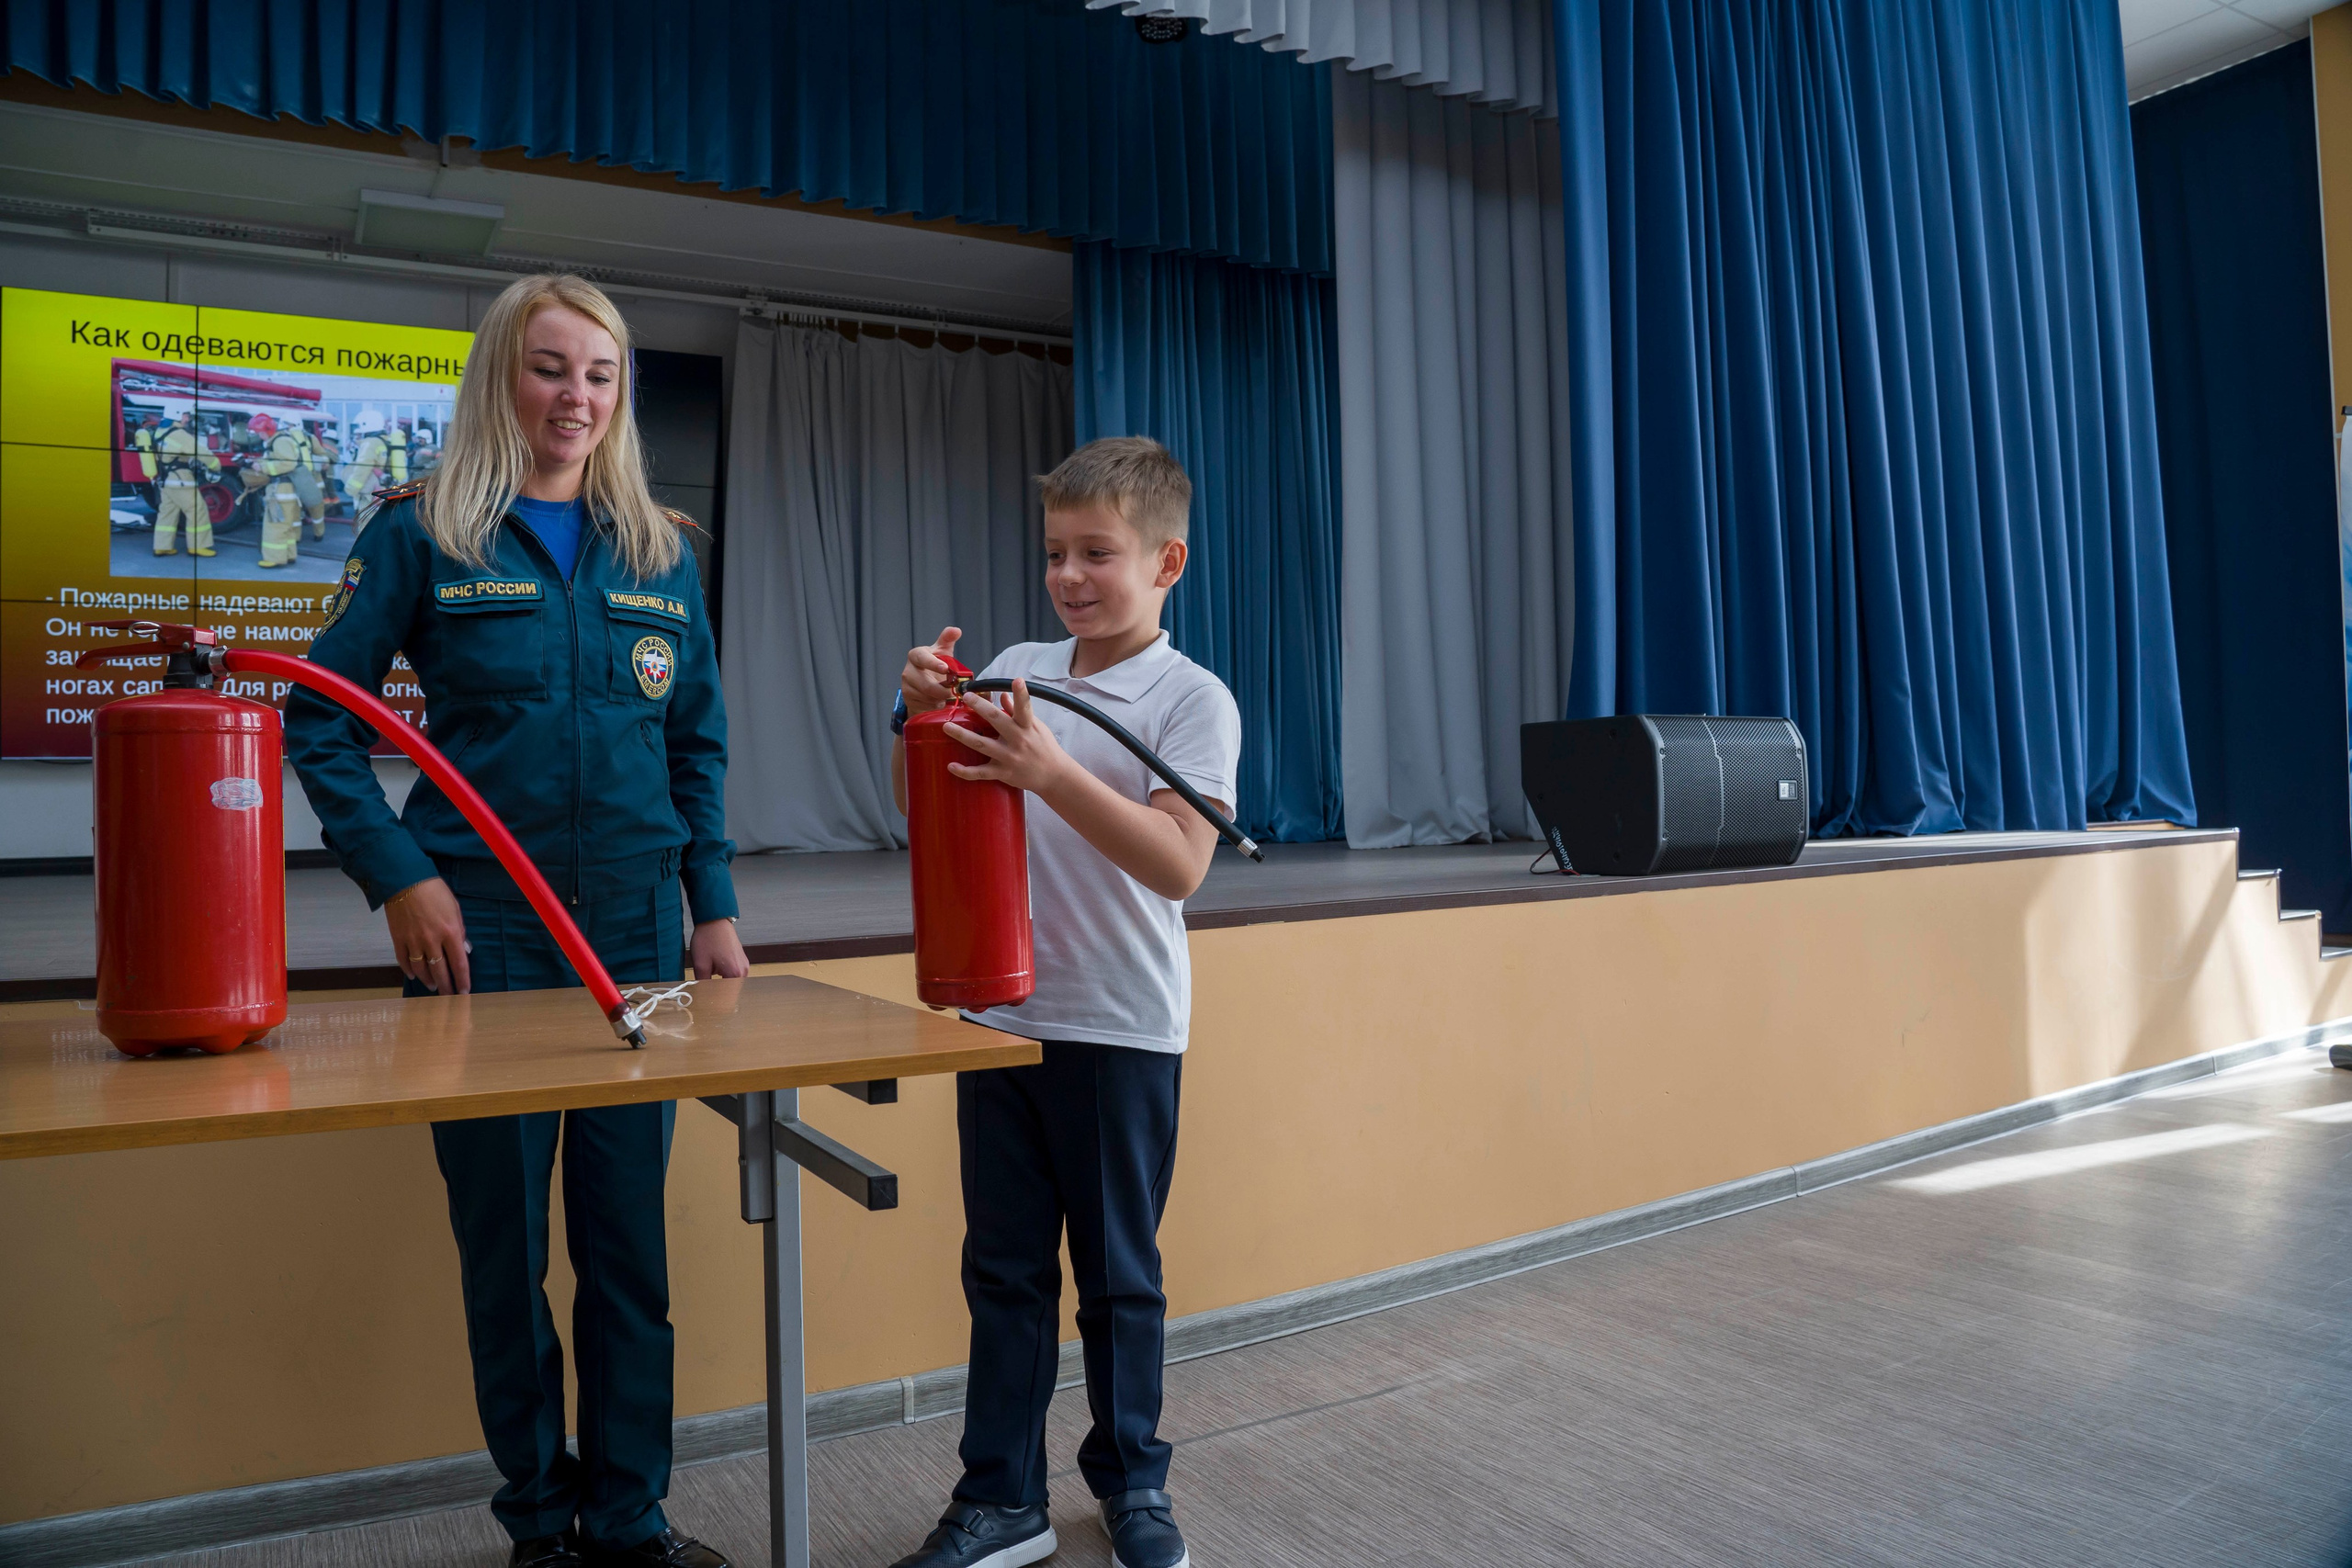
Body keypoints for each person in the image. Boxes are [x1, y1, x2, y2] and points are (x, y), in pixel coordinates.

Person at [285, 273, 750, 1568]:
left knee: (628, 1249)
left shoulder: (662, 549)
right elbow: (317, 713)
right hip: (480, 938)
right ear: (504, 377)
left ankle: (630, 1519)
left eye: (601, 375)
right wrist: (396, 873)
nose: (577, 397)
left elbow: (695, 742)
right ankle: (540, 1521)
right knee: (505, 1247)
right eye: (552, 368)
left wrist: (711, 904)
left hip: (640, 943)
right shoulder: (423, 532)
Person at [886, 437, 1239, 1568]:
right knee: (1003, 1274)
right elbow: (950, 790)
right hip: (1007, 1024)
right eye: (1054, 553)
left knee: (1119, 1278)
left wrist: (1053, 772)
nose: (1070, 576)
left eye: (1098, 553)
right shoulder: (1018, 665)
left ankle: (1132, 1483)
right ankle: (1000, 1502)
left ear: (1166, 561)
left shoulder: (1193, 701)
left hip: (1120, 1030)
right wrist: (923, 711)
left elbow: (1181, 866)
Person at [150, 409, 219, 557]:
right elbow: (202, 453)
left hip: (165, 480)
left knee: (167, 513)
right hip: (181, 481)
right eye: (185, 416)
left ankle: (162, 546)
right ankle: (198, 546)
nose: (187, 419)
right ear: (176, 415)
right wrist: (215, 465)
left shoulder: (160, 432)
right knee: (197, 511)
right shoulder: (180, 435)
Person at [250, 413, 304, 568]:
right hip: (285, 490)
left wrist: (263, 467)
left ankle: (274, 558)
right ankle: (289, 555)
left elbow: (288, 464)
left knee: (274, 525)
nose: (259, 436)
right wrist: (259, 462)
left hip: (281, 491)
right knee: (286, 526)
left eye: (259, 432)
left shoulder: (280, 442)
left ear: (267, 430)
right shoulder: (279, 440)